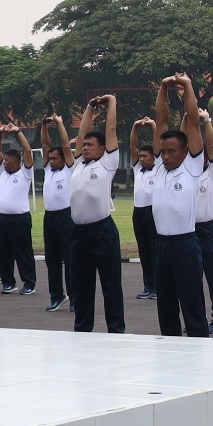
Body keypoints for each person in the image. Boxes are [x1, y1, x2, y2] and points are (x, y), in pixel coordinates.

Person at [144, 73, 213, 338]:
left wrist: (185, 86)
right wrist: (162, 87)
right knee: (166, 306)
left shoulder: (193, 168)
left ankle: (199, 347)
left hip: (185, 244)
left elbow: (193, 121)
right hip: (161, 245)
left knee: (192, 304)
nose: (166, 155)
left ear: (185, 151)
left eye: (172, 151)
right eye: (163, 151)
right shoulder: (160, 168)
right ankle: (170, 350)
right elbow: (161, 119)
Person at [62, 95, 128, 333]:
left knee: (110, 285)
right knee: (81, 286)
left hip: (102, 231)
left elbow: (110, 127)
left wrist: (111, 101)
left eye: (90, 145)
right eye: (84, 145)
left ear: (103, 148)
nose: (85, 147)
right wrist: (89, 107)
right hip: (79, 233)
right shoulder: (79, 163)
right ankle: (82, 329)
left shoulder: (108, 162)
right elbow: (81, 134)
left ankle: (116, 331)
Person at [188, 116, 213, 332]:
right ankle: (197, 317)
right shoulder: (188, 174)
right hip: (189, 230)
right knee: (192, 277)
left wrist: (206, 122)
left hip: (208, 228)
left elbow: (212, 146)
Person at [0, 122, 39, 296]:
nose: (5, 164)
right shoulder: (2, 172)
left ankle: (29, 282)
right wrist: (0, 133)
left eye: (9, 162)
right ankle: (8, 282)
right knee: (3, 252)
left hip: (20, 219)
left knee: (23, 252)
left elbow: (27, 150)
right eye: (4, 161)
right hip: (2, 218)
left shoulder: (25, 173)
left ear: (17, 163)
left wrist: (18, 131)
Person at [37, 119, 73, 311]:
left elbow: (66, 146)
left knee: (69, 258)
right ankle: (57, 295)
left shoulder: (68, 169)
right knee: (52, 259)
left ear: (63, 159)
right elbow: (45, 145)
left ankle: (75, 297)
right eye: (49, 158)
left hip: (66, 217)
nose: (51, 161)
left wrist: (59, 123)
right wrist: (43, 126)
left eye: (55, 158)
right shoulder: (48, 170)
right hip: (49, 218)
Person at [130, 129, 160, 301]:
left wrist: (152, 125)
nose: (141, 159)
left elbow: (158, 146)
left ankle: (157, 286)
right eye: (140, 157)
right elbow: (133, 145)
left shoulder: (159, 169)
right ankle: (147, 285)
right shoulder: (137, 169)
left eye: (145, 156)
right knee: (143, 250)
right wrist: (135, 127)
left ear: (153, 157)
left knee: (154, 250)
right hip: (138, 212)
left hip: (152, 212)